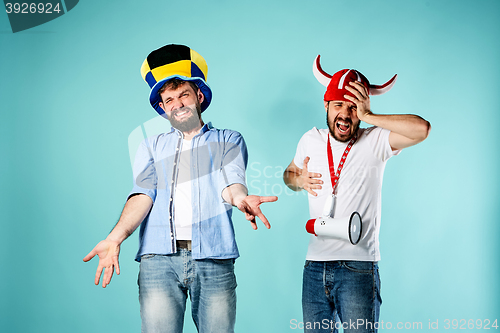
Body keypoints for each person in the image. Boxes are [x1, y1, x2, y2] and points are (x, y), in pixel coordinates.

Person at [83, 44, 277, 333]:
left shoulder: (229, 140)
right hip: (158, 262)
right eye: (169, 99)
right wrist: (115, 238)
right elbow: (142, 195)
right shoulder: (150, 145)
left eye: (183, 94)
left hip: (214, 259)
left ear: (198, 96)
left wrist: (240, 199)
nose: (178, 103)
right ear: (162, 108)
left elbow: (231, 183)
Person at [283, 56, 431, 333]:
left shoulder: (375, 140)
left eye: (353, 108)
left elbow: (421, 129)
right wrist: (298, 179)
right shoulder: (309, 140)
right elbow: (288, 175)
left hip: (358, 268)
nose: (345, 114)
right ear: (326, 106)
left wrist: (369, 117)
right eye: (338, 104)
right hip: (314, 267)